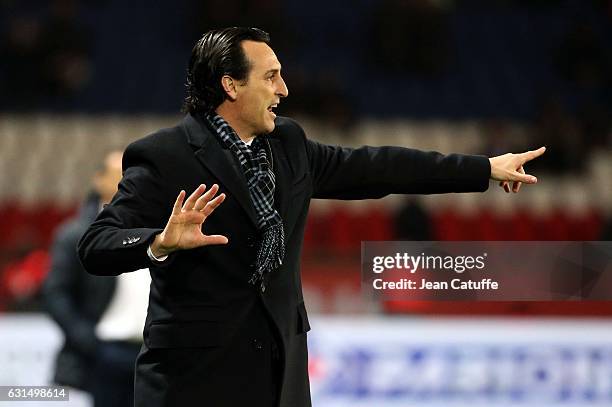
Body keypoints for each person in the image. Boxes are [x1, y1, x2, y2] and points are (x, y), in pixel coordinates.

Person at [77, 27, 545, 407]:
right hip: (193, 384)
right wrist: (159, 241)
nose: (284, 89)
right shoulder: (164, 155)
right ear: (231, 84)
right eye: (271, 76)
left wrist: (483, 168)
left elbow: (377, 165)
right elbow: (97, 244)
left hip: (281, 379)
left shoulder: (290, 144)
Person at [43, 150, 149, 407]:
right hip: (105, 352)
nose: (128, 182)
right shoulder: (75, 235)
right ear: (99, 180)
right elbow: (55, 293)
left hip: (150, 353)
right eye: (119, 175)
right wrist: (88, 340)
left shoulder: (157, 228)